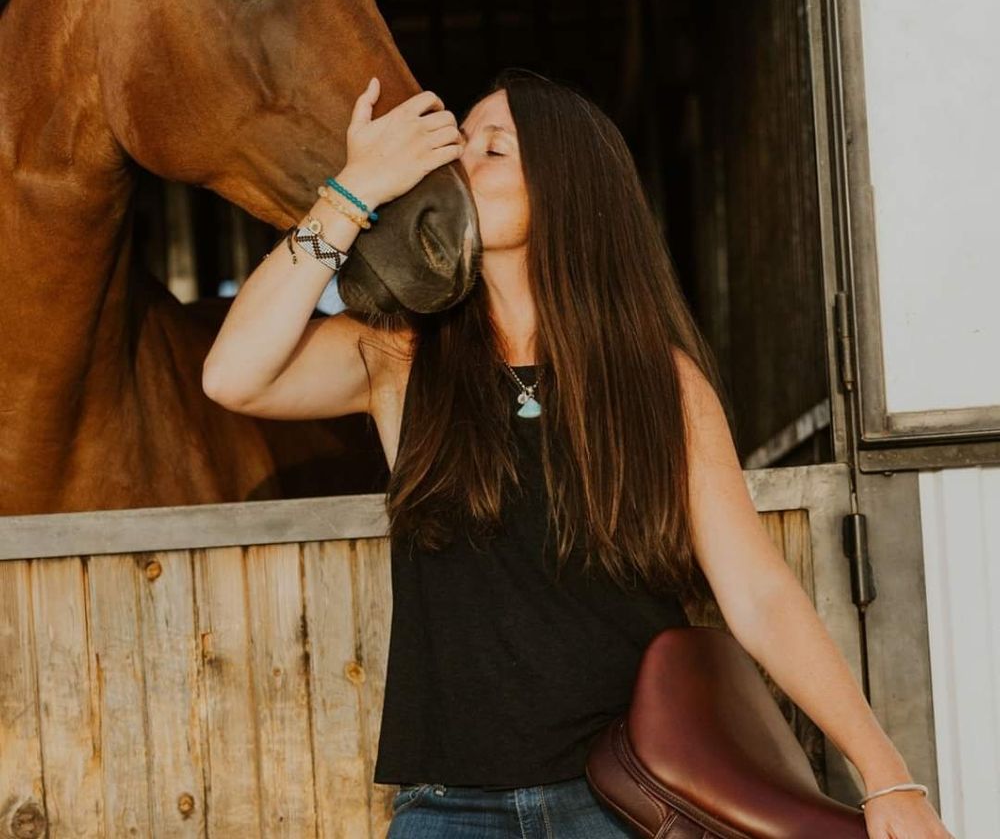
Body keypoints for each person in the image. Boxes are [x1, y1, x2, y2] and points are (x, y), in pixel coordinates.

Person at [202, 68, 953, 839]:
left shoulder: (659, 380)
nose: (464, 159)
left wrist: (887, 775)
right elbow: (233, 376)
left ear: (567, 187)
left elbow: (758, 593)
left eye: (496, 146)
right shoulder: (402, 357)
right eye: (462, 142)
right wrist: (351, 190)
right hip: (448, 807)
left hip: (620, 796)